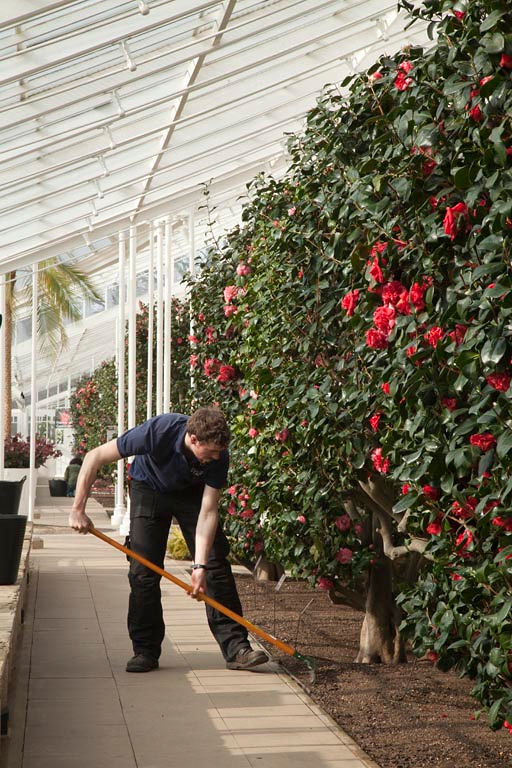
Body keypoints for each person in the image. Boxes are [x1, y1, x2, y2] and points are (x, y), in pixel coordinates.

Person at [68, 407, 268, 673]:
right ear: (193, 439)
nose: (217, 457)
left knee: (215, 565)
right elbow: (95, 457)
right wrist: (78, 509)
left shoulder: (218, 454)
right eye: (211, 452)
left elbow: (208, 512)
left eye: (220, 452)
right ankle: (145, 651)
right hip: (149, 488)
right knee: (144, 571)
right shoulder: (157, 432)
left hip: (191, 493)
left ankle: (237, 649)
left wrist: (199, 567)